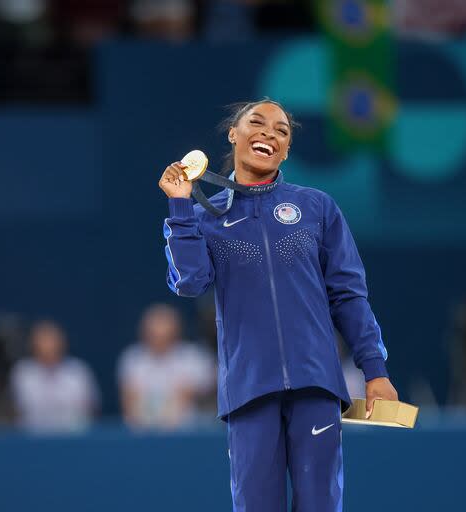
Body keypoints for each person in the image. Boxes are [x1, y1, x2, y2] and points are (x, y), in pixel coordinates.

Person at [158, 100, 398, 511]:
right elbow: (189, 282)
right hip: (249, 392)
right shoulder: (202, 217)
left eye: (282, 131)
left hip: (317, 385)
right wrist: (180, 205)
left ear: (286, 151)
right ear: (233, 134)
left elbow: (349, 294)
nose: (269, 133)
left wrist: (374, 371)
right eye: (257, 123)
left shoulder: (316, 207)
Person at [118, 303, 214, 429]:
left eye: (165, 336)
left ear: (176, 332)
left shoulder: (194, 358)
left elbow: (209, 401)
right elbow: (128, 402)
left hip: (189, 433)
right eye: (154, 335)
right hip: (143, 435)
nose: (159, 340)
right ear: (145, 333)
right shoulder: (132, 359)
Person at [11, 320, 98, 432]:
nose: (49, 347)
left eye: (52, 341)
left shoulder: (78, 371)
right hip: (32, 439)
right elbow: (16, 412)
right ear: (33, 345)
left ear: (62, 343)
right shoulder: (22, 373)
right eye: (44, 341)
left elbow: (92, 410)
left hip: (74, 438)